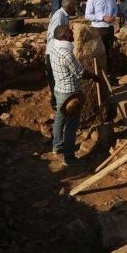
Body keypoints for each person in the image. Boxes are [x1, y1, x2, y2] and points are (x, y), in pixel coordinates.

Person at [49, 24, 98, 165]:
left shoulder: (53, 46)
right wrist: (95, 77)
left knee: (59, 118)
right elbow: (80, 72)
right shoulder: (66, 53)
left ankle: (56, 147)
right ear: (64, 36)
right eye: (70, 33)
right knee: (71, 125)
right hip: (69, 93)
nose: (73, 35)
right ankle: (68, 157)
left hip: (59, 89)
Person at [45, 0, 76, 109]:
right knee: (54, 79)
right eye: (74, 6)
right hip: (54, 51)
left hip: (56, 50)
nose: (75, 8)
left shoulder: (63, 15)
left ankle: (58, 102)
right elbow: (54, 35)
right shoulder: (59, 16)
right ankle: (56, 103)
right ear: (70, 6)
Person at [85, 0, 118, 67]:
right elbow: (87, 16)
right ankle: (100, 72)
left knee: (109, 50)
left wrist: (114, 16)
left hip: (110, 28)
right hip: (98, 29)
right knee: (99, 52)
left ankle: (108, 72)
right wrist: (102, 18)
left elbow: (115, 8)